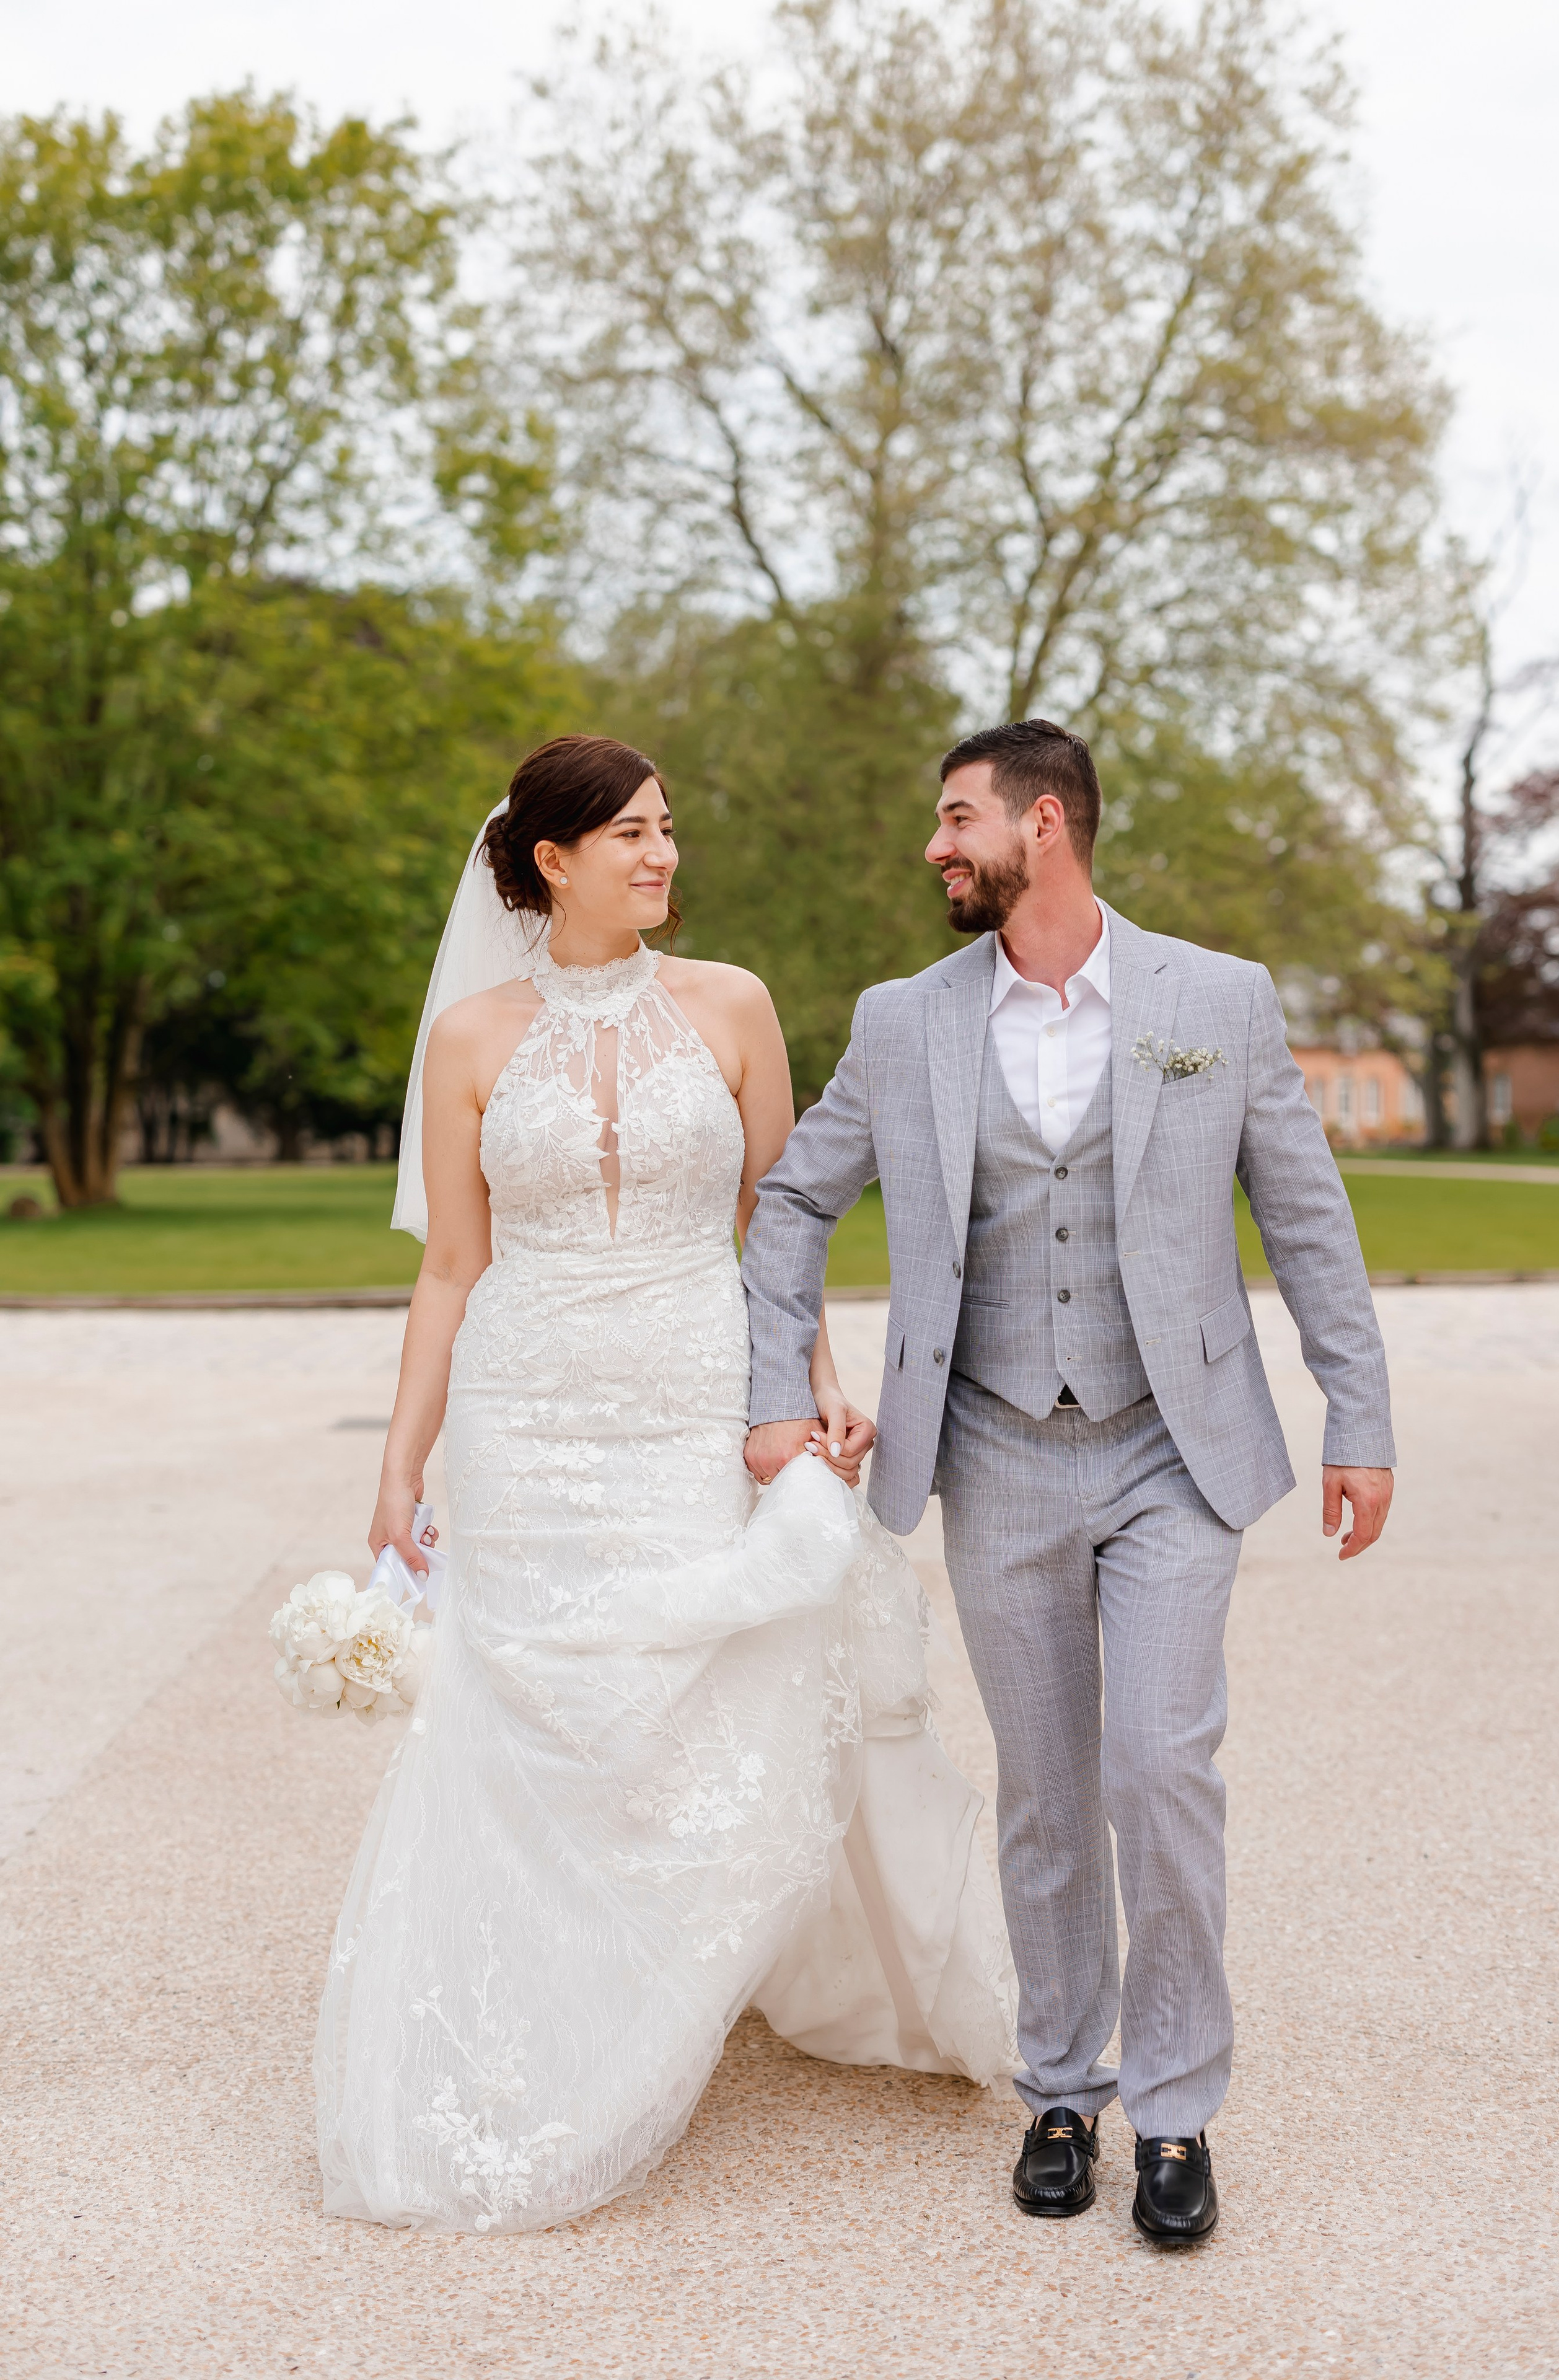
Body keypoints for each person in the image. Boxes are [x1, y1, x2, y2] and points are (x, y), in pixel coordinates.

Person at [316, 734, 1016, 2234]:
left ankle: (669, 1990)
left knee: (707, 1689)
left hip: (699, 1388)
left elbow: (781, 1218)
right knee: (536, 1715)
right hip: (528, 1405)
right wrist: (399, 1464)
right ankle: (550, 2024)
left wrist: (811, 1385)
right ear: (548, 861)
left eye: (667, 829)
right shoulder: (471, 1040)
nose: (660, 856)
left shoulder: (733, 1005)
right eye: (628, 835)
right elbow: (452, 1264)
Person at [741, 719, 1395, 2247]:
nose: (932, 847)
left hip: (1173, 1446)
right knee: (1043, 1792)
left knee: (1160, 1772)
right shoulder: (904, 1022)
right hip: (987, 1446)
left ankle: (1172, 2116)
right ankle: (1060, 2087)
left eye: (953, 818)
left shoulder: (1211, 1002)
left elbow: (1307, 1219)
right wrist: (779, 1396)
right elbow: (789, 1203)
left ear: (1045, 826)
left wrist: (1356, 1416)